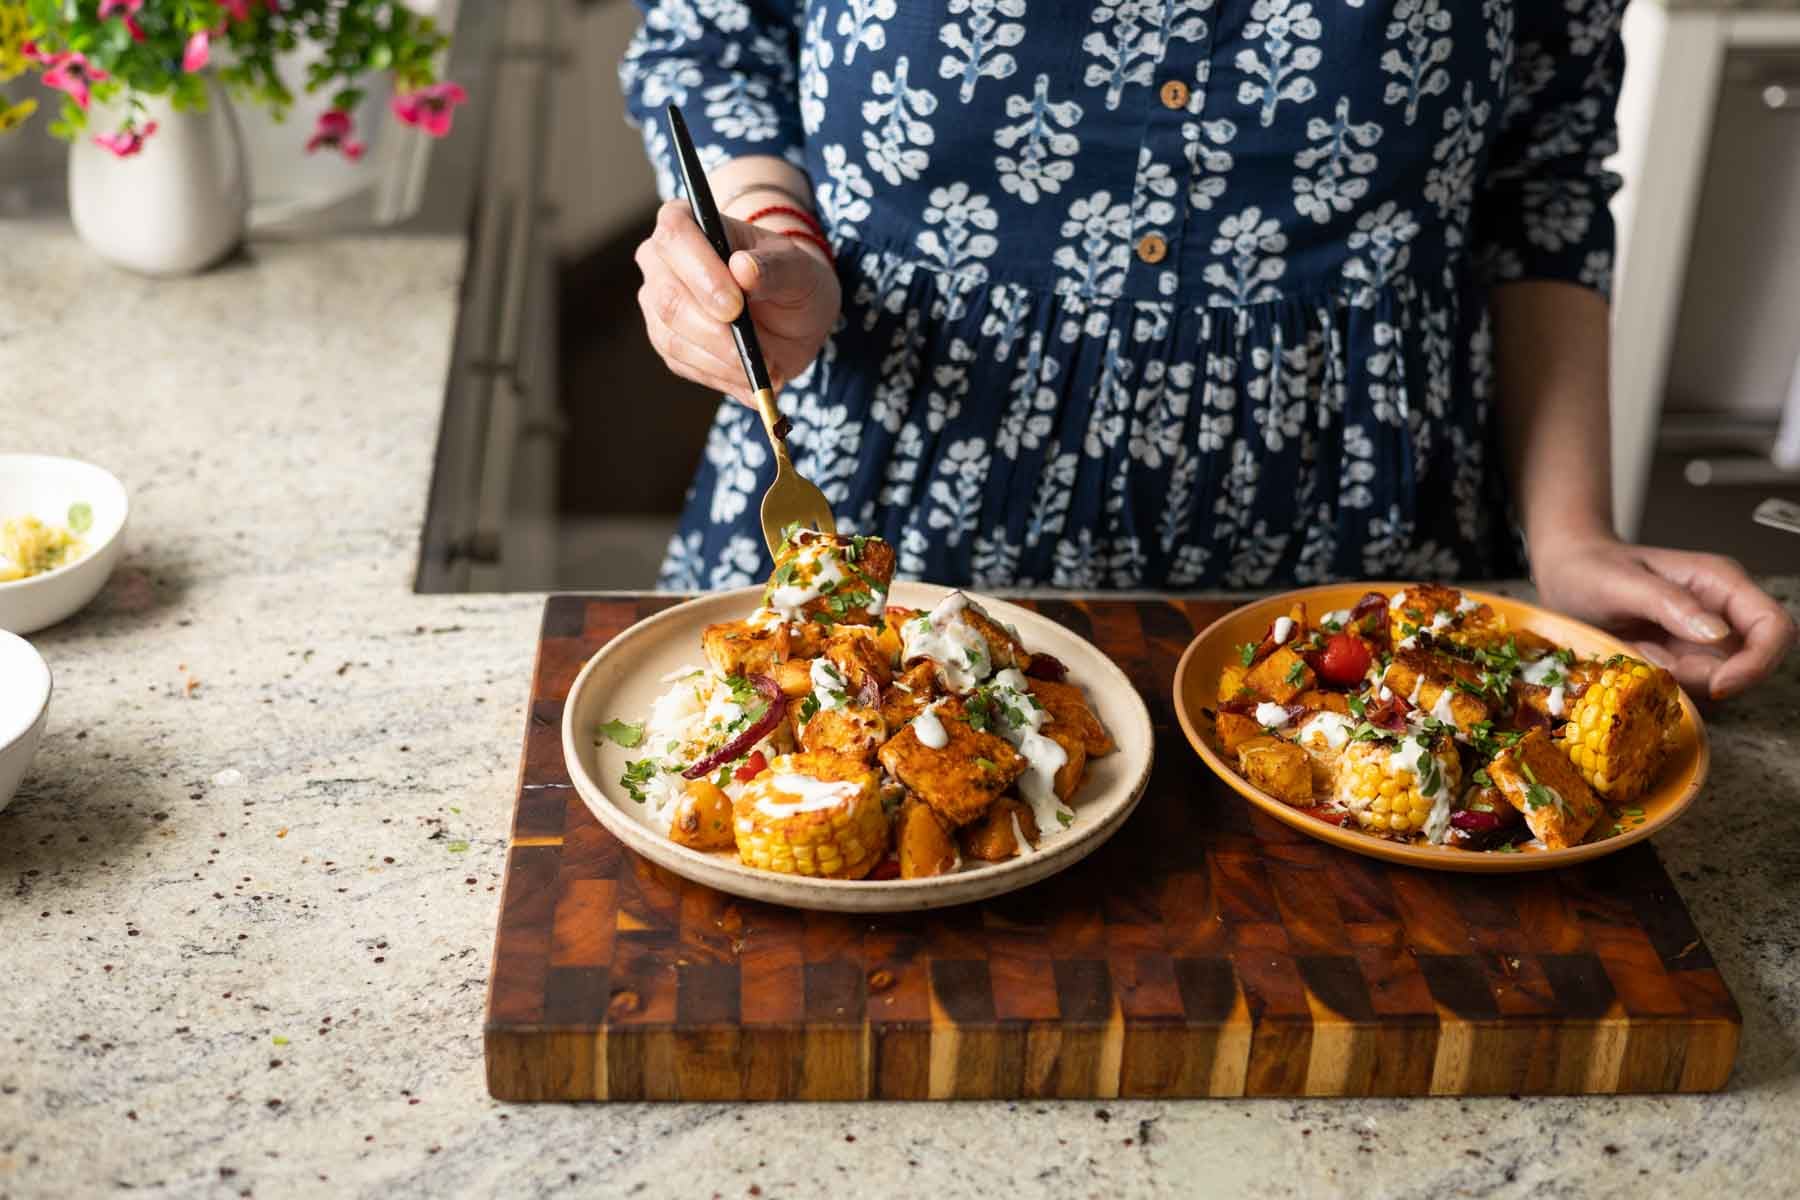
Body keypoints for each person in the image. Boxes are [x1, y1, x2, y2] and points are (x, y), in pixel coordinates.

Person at [621, 1, 1794, 699]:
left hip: (1365, 579)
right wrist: (766, 239)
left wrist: (1573, 537)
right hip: (884, 520)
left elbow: (1540, 182)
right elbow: (720, 44)